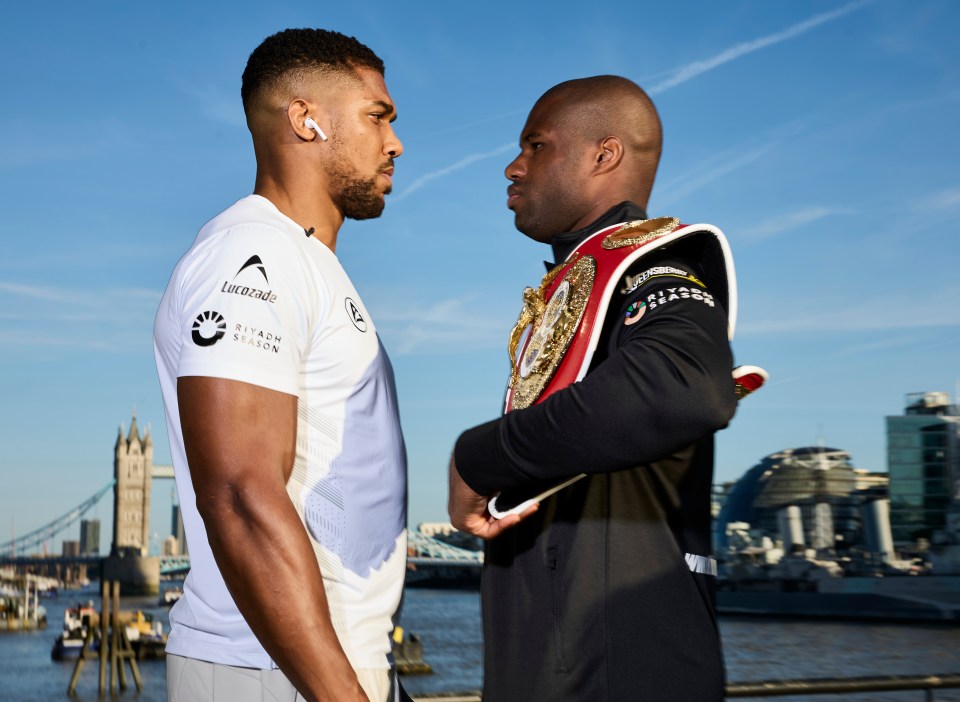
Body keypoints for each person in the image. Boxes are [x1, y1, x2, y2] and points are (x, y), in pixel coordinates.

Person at [448, 75, 742, 701]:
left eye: (535, 146)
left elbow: (685, 386)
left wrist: (478, 456)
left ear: (603, 155)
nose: (513, 165)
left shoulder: (653, 268)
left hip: (613, 670)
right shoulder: (579, 279)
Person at [154, 28, 408, 702]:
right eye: (377, 115)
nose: (395, 143)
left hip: (309, 670)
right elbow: (239, 494)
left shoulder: (306, 263)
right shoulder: (250, 258)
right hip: (268, 675)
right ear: (306, 118)